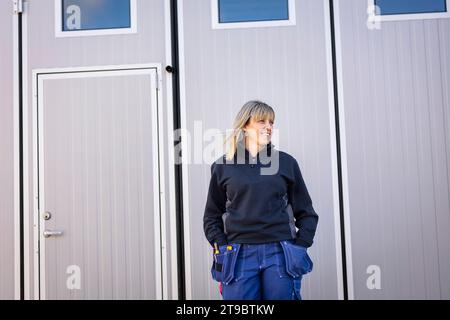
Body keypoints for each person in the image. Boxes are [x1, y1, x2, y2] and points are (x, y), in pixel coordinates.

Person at [203, 100, 319, 300]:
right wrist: (222, 247)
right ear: (245, 126)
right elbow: (211, 216)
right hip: (238, 254)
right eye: (261, 121)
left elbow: (307, 213)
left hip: (279, 252)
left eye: (271, 122)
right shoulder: (222, 166)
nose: (269, 127)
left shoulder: (286, 163)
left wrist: (301, 245)